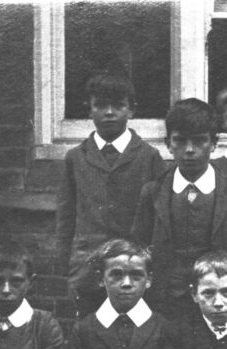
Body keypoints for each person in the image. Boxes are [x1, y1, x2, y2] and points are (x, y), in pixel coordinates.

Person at [57, 72, 165, 318]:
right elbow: (66, 217)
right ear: (90, 110)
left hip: (133, 270)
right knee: (90, 331)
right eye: (100, 106)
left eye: (118, 106)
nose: (109, 113)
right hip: (89, 268)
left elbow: (159, 218)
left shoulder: (148, 157)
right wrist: (68, 267)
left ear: (131, 110)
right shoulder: (76, 158)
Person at [131, 98, 227, 318]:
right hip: (164, 305)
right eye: (180, 141)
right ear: (168, 143)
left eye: (199, 141)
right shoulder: (153, 193)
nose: (189, 150)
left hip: (217, 305)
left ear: (214, 143)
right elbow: (139, 251)